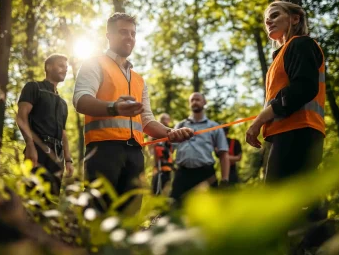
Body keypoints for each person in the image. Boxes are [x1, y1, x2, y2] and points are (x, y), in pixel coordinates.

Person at [73, 13, 193, 211]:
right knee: (99, 214)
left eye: (133, 34)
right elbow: (81, 100)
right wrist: (114, 107)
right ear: (109, 36)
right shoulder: (94, 63)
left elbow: (147, 121)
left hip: (135, 155)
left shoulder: (138, 79)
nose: (129, 37)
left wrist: (170, 133)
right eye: (123, 32)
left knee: (131, 218)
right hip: (103, 152)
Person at [245, 1, 327, 249]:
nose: (268, 21)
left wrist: (259, 119)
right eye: (266, 19)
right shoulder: (279, 57)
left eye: (274, 15)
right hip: (285, 136)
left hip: (299, 133)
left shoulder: (301, 44)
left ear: (294, 19)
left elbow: (303, 88)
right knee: (298, 206)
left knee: (281, 208)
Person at [17, 54, 74, 195]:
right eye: (61, 65)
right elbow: (21, 116)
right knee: (32, 197)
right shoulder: (34, 87)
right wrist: (30, 145)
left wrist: (68, 160)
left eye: (66, 68)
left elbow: (63, 133)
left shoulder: (63, 103)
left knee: (51, 200)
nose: (65, 70)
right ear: (48, 67)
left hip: (57, 157)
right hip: (37, 151)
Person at [170, 92, 229, 204]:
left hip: (205, 174)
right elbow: (170, 149)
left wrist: (225, 179)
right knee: (173, 209)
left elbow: (223, 154)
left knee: (209, 212)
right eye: (192, 100)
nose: (195, 102)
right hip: (182, 174)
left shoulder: (214, 127)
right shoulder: (180, 126)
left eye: (197, 99)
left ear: (204, 102)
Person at [150, 113, 174, 195]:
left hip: (168, 167)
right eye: (163, 120)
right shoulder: (154, 135)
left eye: (167, 120)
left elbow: (172, 151)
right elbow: (151, 151)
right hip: (158, 168)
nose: (165, 122)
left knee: (167, 191)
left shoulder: (169, 135)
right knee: (156, 190)